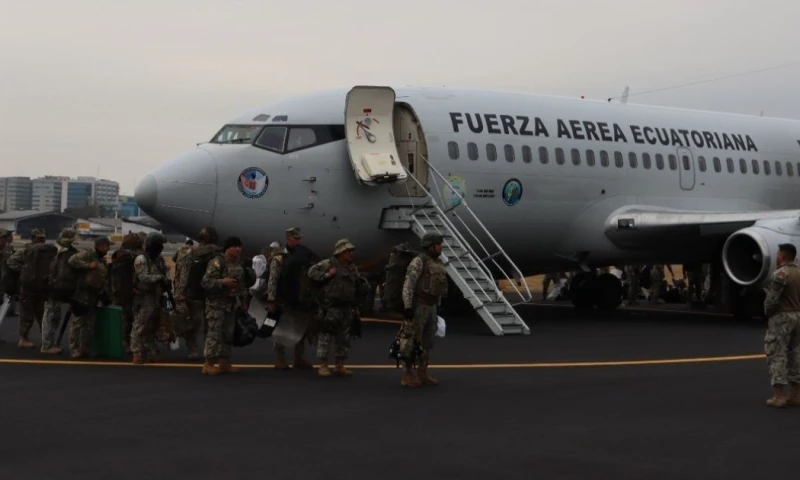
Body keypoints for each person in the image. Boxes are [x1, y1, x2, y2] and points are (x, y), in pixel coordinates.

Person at [308, 239, 368, 377]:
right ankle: (323, 365)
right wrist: (328, 275)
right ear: (340, 252)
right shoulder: (329, 263)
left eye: (351, 251)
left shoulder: (352, 267)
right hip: (331, 307)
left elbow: (356, 285)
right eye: (348, 251)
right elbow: (311, 273)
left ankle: (339, 365)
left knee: (344, 337)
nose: (351, 253)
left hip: (346, 307)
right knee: (326, 336)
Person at [399, 232, 449, 387]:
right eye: (438, 244)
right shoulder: (419, 262)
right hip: (419, 306)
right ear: (430, 246)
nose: (441, 246)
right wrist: (407, 306)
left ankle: (422, 372)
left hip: (431, 306)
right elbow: (409, 284)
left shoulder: (438, 262)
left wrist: (438, 305)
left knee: (427, 342)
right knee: (412, 341)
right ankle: (407, 374)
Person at [266, 227, 319, 369]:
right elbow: (273, 279)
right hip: (282, 298)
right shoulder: (279, 258)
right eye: (295, 238)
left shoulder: (302, 256)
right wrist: (271, 300)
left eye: (299, 238)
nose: (298, 241)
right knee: (281, 328)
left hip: (298, 298)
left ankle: (299, 357)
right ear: (288, 239)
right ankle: (280, 358)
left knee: (300, 327)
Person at [201, 236, 250, 375]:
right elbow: (205, 282)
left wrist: (244, 301)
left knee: (228, 334)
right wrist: (222, 282)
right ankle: (208, 363)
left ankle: (224, 362)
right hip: (216, 304)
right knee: (214, 334)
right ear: (228, 248)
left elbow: (242, 285)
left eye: (240, 247)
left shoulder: (239, 264)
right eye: (235, 246)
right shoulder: (217, 263)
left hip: (231, 304)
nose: (238, 249)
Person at [763, 243, 800, 407]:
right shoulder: (798, 273)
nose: (777, 257)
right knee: (796, 354)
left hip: (782, 317)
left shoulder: (780, 274)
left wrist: (767, 312)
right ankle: (796, 394)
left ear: (783, 256)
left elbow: (771, 300)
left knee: (777, 353)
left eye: (778, 254)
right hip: (798, 316)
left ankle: (779, 396)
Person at [68, 236, 112, 358]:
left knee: (89, 324)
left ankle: (85, 348)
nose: (108, 248)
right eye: (107, 246)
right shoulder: (88, 254)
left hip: (93, 295)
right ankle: (74, 348)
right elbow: (72, 260)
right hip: (82, 295)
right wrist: (88, 265)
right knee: (78, 323)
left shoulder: (101, 259)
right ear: (101, 246)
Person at [131, 233, 171, 364]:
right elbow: (143, 277)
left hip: (155, 297)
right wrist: (159, 278)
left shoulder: (158, 259)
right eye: (157, 246)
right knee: (140, 325)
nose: (160, 249)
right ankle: (136, 352)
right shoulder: (141, 259)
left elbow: (164, 273)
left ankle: (152, 352)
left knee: (150, 327)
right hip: (143, 297)